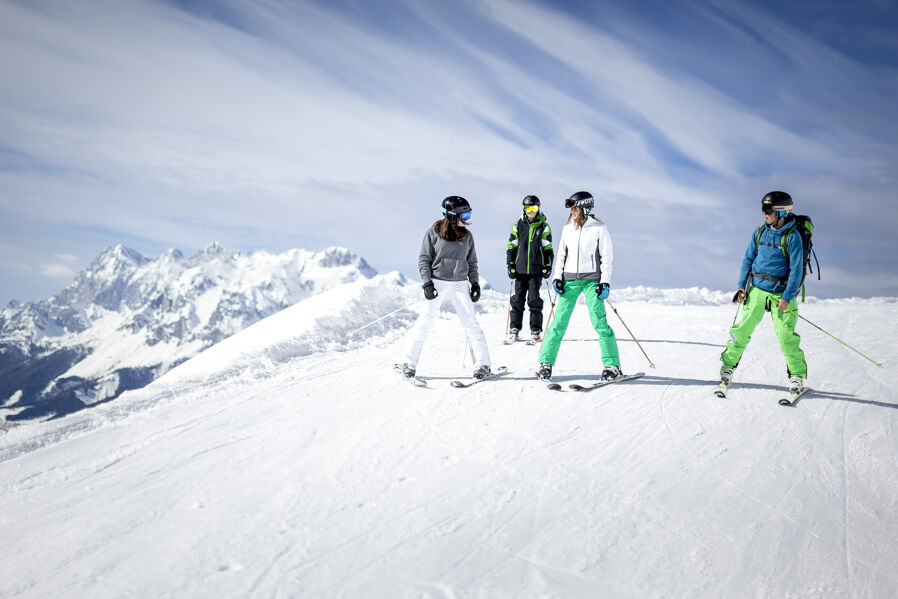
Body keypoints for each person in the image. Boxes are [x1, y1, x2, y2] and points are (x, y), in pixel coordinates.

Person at [719, 191, 807, 394]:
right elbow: (747, 259)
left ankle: (796, 376)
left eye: (768, 210)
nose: (764, 214)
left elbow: (797, 270)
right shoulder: (759, 232)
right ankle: (727, 367)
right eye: (763, 209)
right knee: (741, 331)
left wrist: (788, 296)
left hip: (781, 293)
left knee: (786, 336)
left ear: (781, 212)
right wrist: (742, 286)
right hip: (757, 289)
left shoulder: (792, 236)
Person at [397, 196, 492, 380]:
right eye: (464, 213)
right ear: (452, 215)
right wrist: (427, 282)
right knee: (425, 321)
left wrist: (475, 283)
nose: (467, 217)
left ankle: (483, 365)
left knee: (470, 323)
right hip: (437, 281)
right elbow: (424, 259)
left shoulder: (467, 235)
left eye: (468, 212)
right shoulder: (433, 232)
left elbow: (472, 262)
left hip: (459, 284)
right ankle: (408, 363)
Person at [536, 191, 621, 381]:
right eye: (571, 208)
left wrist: (605, 282)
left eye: (575, 207)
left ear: (585, 207)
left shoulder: (600, 228)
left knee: (600, 323)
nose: (572, 211)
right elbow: (561, 256)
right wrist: (557, 277)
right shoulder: (567, 229)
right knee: (558, 323)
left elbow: (607, 258)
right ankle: (545, 363)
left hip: (592, 281)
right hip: (569, 280)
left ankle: (612, 365)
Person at [505, 195, 554, 343]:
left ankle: (535, 330)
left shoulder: (543, 226)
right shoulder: (517, 225)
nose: (531, 212)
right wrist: (511, 265)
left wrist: (548, 266)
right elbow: (511, 246)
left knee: (534, 300)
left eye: (534, 208)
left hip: (536, 270)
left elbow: (548, 248)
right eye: (528, 209)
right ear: (524, 209)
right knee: (517, 300)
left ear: (539, 209)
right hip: (519, 270)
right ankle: (514, 329)